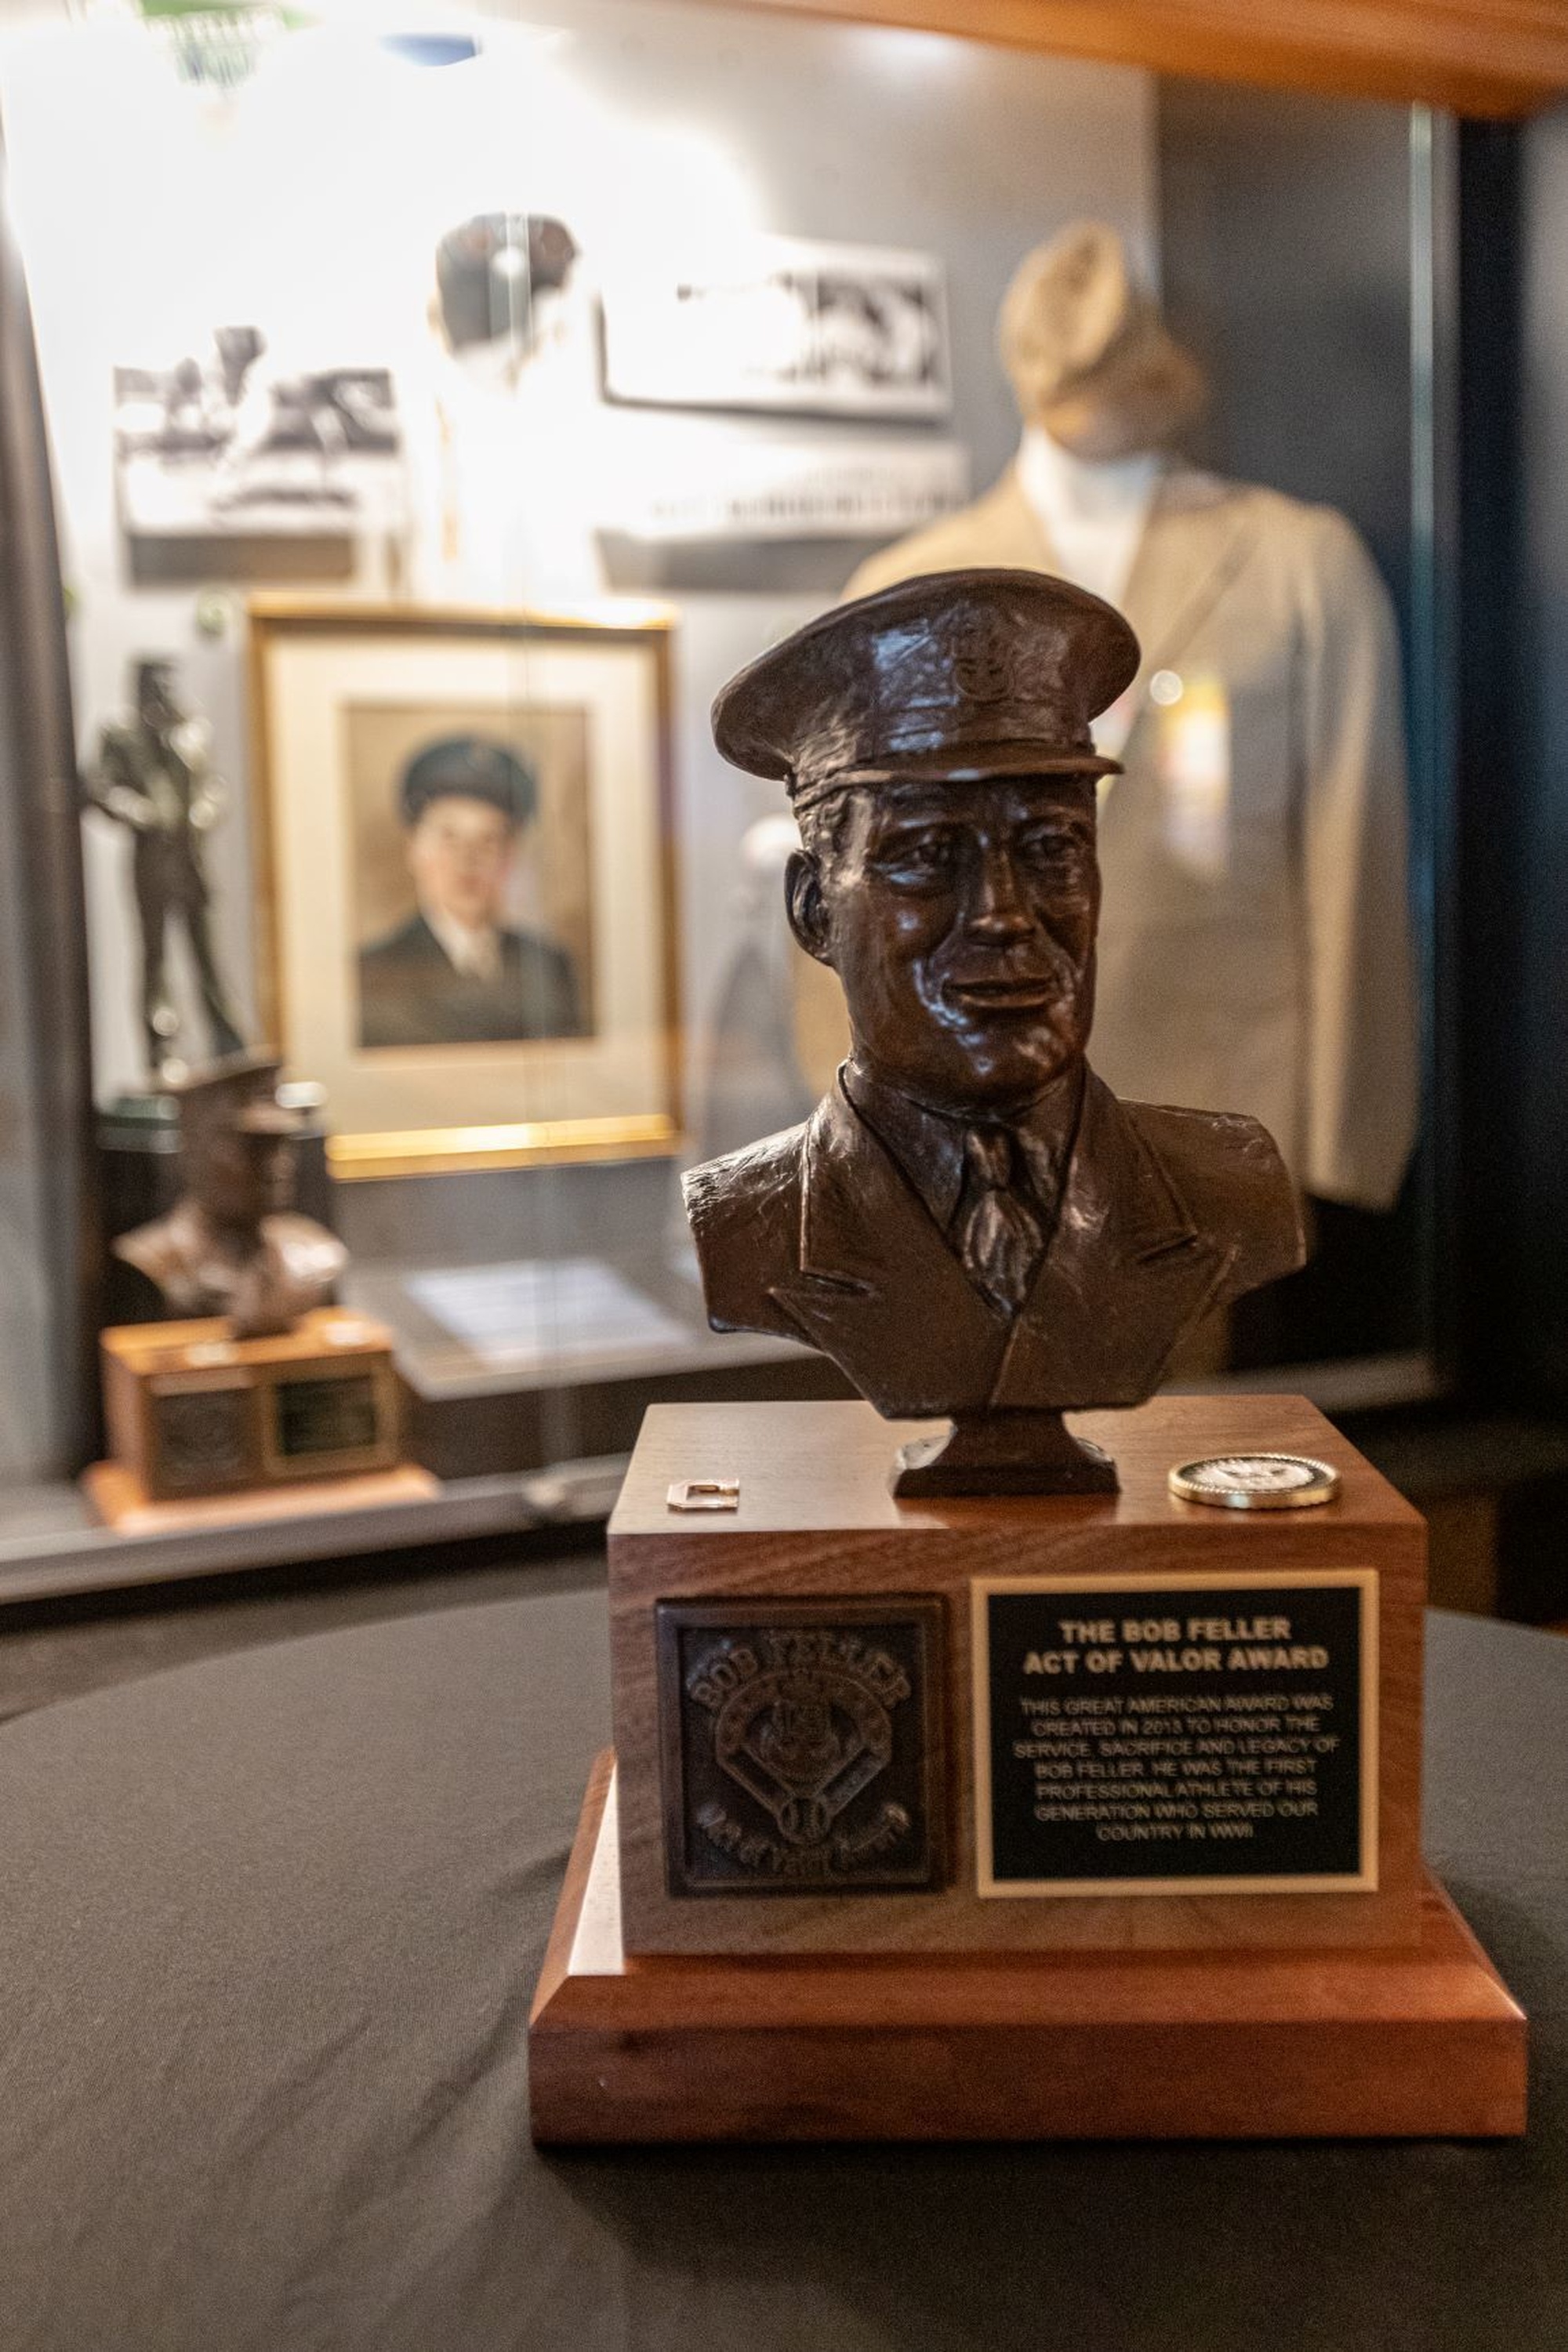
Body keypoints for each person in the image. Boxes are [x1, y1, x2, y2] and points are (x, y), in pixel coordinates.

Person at [683, 569, 1305, 1492]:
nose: (1004, 917)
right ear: (814, 911)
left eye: (1050, 849)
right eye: (929, 857)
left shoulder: (1227, 1188)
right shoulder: (750, 1223)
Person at [356, 735, 583, 1050]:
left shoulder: (548, 967)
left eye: (488, 840)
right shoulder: (373, 973)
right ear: (414, 850)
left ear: (510, 856)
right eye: (449, 837)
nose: (467, 861)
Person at [83, 659, 246, 1079]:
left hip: (192, 861)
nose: (165, 693)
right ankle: (162, 1048)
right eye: (157, 685)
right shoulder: (120, 734)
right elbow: (98, 786)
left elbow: (213, 787)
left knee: (207, 956)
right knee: (155, 957)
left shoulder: (192, 732)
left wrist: (203, 814)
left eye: (170, 684)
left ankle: (227, 1042)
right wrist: (141, 812)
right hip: (152, 861)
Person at [114, 1055, 345, 1341]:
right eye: (253, 1147)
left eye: (280, 1145)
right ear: (195, 1150)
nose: (277, 1165)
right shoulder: (154, 1263)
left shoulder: (317, 1256)